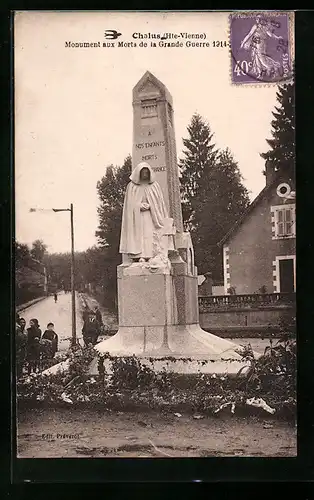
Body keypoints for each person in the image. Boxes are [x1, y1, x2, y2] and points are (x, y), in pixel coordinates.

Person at [119, 162, 174, 262]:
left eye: (146, 172)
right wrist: (138, 206)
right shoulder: (132, 186)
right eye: (143, 172)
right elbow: (129, 205)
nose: (145, 174)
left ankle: (151, 254)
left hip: (151, 216)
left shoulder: (154, 186)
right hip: (137, 217)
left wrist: (150, 206)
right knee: (139, 235)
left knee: (149, 235)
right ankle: (140, 256)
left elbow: (159, 204)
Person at [240, 14, 284, 80]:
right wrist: (278, 37)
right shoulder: (261, 26)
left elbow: (250, 34)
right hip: (258, 44)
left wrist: (243, 43)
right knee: (257, 58)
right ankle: (260, 73)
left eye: (259, 19)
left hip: (259, 44)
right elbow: (270, 35)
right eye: (257, 19)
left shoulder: (259, 26)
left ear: (262, 20)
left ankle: (270, 68)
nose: (258, 20)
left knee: (261, 58)